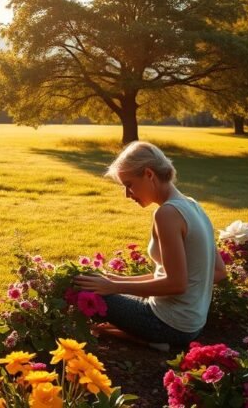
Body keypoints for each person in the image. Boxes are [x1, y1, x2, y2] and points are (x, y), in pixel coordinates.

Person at [74, 141, 226, 349]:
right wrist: (118, 279)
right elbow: (218, 272)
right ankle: (141, 337)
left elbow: (177, 284)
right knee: (102, 287)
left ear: (148, 174)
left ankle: (150, 338)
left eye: (129, 184)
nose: (127, 194)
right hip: (192, 326)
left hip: (165, 324)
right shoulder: (192, 205)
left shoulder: (167, 214)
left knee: (81, 291)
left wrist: (115, 286)